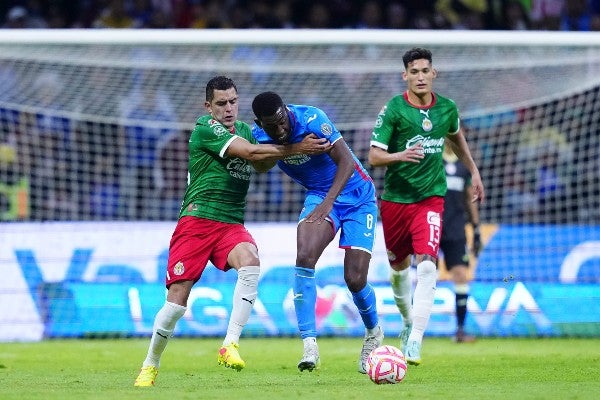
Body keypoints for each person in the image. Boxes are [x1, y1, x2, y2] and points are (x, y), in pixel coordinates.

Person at [134, 76, 330, 387]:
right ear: (208, 106)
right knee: (175, 305)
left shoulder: (246, 132)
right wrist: (295, 146)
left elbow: (262, 163)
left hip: (230, 225)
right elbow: (253, 155)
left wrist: (280, 142)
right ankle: (150, 364)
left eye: (233, 102)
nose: (229, 109)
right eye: (222, 103)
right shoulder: (205, 128)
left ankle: (230, 345)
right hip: (197, 223)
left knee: (250, 262)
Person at [251, 91, 383, 374]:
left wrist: (328, 203)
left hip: (357, 196)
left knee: (355, 278)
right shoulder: (259, 136)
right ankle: (310, 344)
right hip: (319, 195)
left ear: (286, 111)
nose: (280, 129)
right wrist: (294, 149)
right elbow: (260, 167)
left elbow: (347, 162)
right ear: (260, 124)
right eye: (271, 126)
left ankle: (373, 333)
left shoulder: (312, 118)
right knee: (304, 255)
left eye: (282, 121)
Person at [368, 47, 484, 366]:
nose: (420, 77)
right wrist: (399, 156)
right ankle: (407, 322)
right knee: (398, 269)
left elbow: (457, 138)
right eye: (414, 72)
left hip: (431, 199)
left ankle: (416, 339)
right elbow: (374, 157)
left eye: (425, 71)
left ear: (434, 73)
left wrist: (473, 171)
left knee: (429, 264)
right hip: (395, 201)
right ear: (405, 76)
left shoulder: (447, 109)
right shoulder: (393, 109)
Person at [440, 144, 481, 343]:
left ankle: (460, 330)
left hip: (456, 229)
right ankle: (413, 329)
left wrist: (476, 228)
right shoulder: (432, 159)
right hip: (431, 224)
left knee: (461, 276)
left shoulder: (464, 166)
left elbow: (469, 197)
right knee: (422, 274)